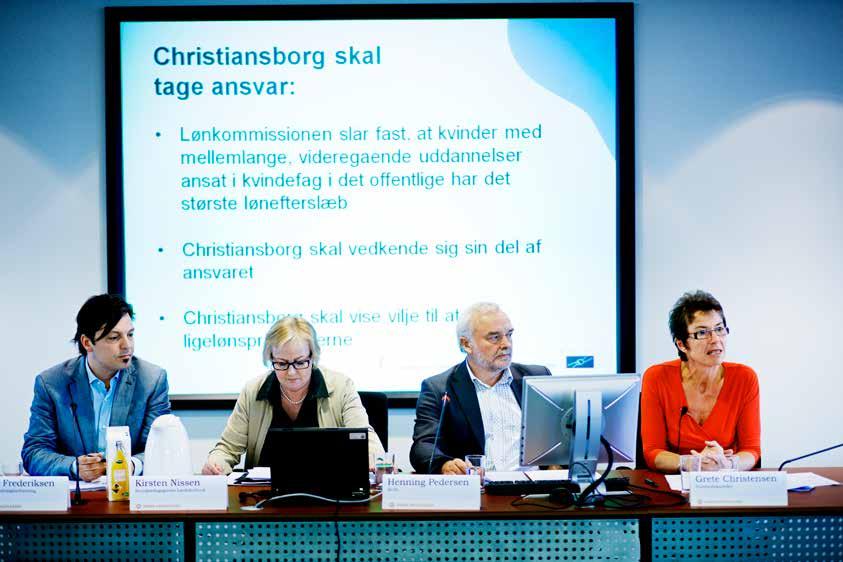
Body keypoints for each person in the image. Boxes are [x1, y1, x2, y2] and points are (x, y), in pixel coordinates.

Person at [202, 316, 383, 474]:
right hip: (264, 497)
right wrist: (215, 465)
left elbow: (366, 439)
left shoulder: (341, 387)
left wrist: (375, 459)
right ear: (270, 358)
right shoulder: (252, 392)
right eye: (281, 363)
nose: (291, 372)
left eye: (300, 362)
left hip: (328, 495)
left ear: (313, 357)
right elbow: (227, 449)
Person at [21, 294, 171, 481]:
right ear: (87, 343)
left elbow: (160, 449)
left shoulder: (151, 380)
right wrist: (75, 467)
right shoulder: (51, 384)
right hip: (75, 495)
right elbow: (34, 452)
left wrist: (130, 465)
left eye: (130, 335)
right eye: (114, 337)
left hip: (128, 493)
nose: (127, 346)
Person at [410, 302, 551, 474]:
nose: (506, 344)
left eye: (509, 335)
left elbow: (562, 435)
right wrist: (444, 465)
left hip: (535, 485)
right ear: (466, 344)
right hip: (479, 486)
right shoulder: (439, 388)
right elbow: (423, 447)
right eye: (494, 337)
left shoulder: (536, 378)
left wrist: (558, 465)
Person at [641, 290, 761, 472]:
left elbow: (751, 450)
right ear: (681, 344)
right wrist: (691, 463)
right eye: (702, 332)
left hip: (726, 480)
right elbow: (652, 452)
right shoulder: (656, 377)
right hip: (675, 482)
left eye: (719, 329)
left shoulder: (744, 378)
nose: (716, 340)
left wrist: (727, 464)